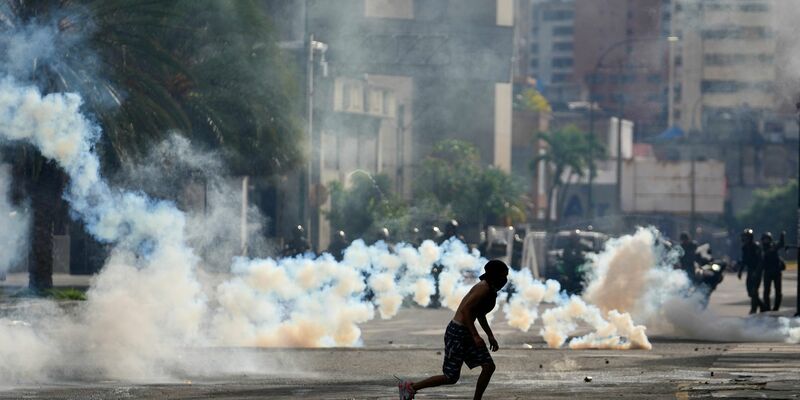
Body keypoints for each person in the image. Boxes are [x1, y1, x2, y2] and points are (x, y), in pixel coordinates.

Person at [398, 260, 508, 400]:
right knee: (450, 377)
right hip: (458, 332)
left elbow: (480, 314)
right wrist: (475, 336)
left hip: (466, 331)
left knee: (488, 367)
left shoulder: (489, 290)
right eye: (503, 276)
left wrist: (490, 336)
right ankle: (410, 388)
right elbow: (466, 311)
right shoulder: (483, 289)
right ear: (494, 275)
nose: (505, 280)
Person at [738, 229, 766, 314]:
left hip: (757, 270)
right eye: (744, 237)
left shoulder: (756, 246)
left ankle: (754, 309)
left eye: (746, 237)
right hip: (750, 271)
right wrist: (740, 271)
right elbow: (744, 260)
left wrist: (756, 272)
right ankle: (762, 306)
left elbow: (760, 261)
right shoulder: (744, 248)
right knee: (750, 291)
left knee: (754, 290)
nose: (745, 239)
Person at [761, 231, 785, 311]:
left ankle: (776, 307)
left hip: (776, 271)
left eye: (767, 239)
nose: (766, 241)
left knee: (778, 291)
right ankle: (767, 307)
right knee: (766, 291)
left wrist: (782, 236)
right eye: (764, 239)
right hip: (767, 272)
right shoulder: (761, 249)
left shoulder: (774, 246)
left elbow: (781, 244)